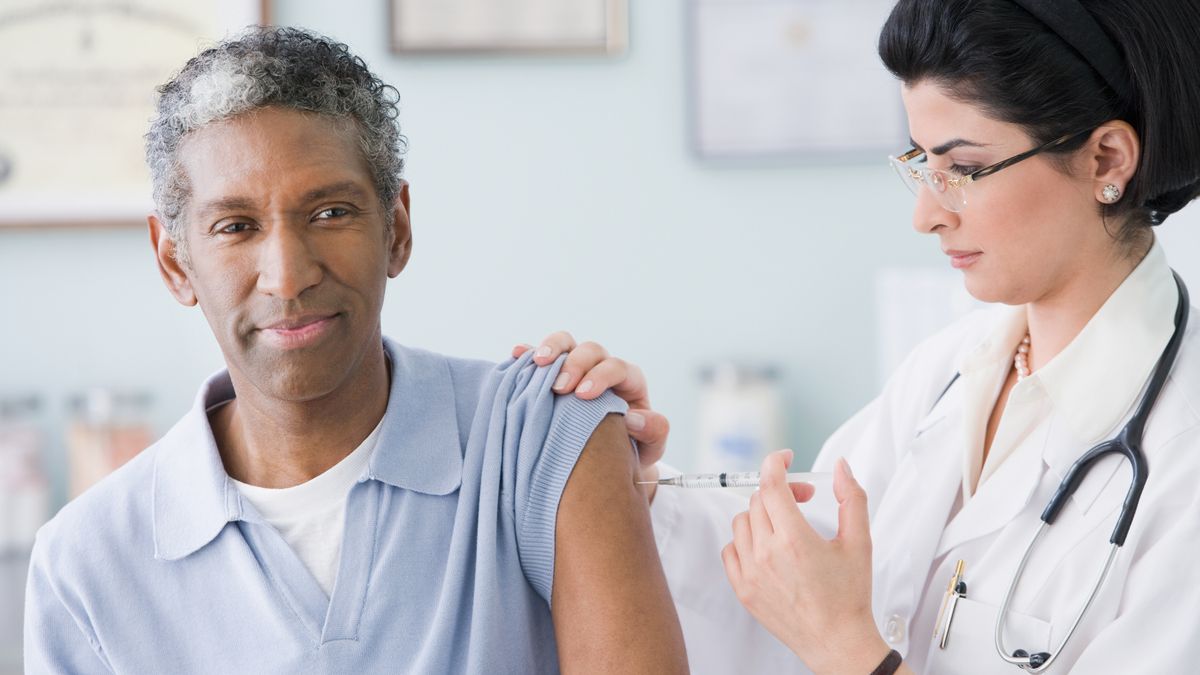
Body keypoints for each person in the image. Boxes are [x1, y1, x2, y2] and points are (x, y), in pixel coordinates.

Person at [517, 0, 1200, 672]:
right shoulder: (949, 371)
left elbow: (831, 624)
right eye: (921, 163)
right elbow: (809, 563)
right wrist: (631, 487)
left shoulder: (1183, 462)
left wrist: (851, 654)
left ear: (1106, 159)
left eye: (962, 169)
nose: (927, 214)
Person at [23, 27, 687, 674]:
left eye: (330, 212)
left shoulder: (543, 436)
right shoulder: (86, 565)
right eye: (236, 226)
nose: (288, 273)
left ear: (395, 229)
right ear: (175, 263)